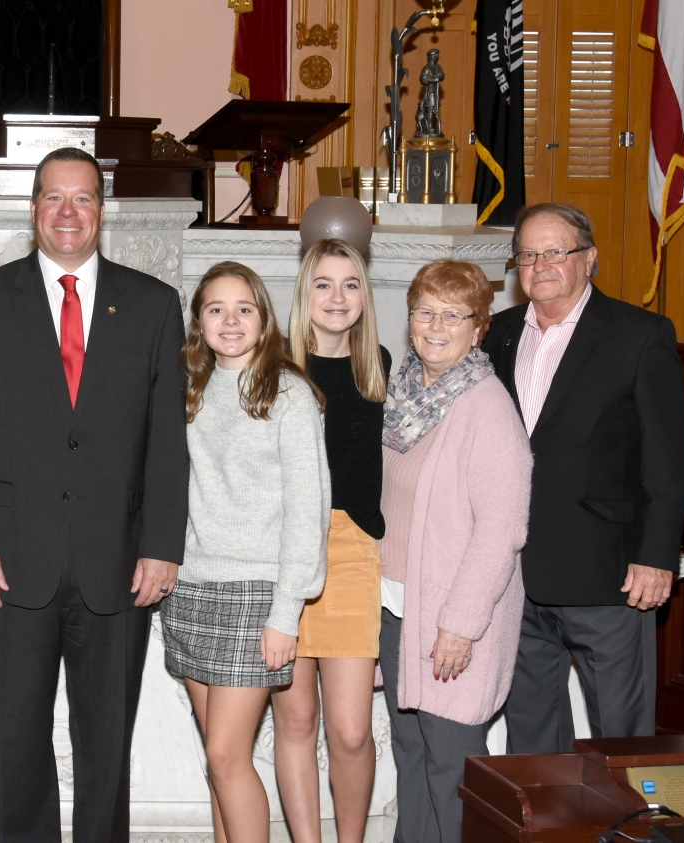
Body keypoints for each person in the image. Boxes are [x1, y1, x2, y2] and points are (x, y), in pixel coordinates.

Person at [0, 147, 189, 842]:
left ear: (102, 211)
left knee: (106, 745)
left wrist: (162, 545)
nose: (68, 213)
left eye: (82, 198)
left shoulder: (152, 304)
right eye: (54, 198)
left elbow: (167, 439)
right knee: (19, 744)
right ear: (33, 209)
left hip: (118, 564)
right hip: (11, 564)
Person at [482, 204, 684, 753]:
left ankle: (627, 839)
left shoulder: (639, 334)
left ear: (589, 258)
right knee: (531, 738)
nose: (541, 264)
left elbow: (668, 460)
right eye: (528, 254)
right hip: (515, 577)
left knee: (622, 739)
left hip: (608, 575)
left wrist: (657, 556)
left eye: (557, 251)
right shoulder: (496, 335)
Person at [160, 261, 329, 843]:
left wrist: (287, 612)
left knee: (228, 756)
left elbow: (309, 513)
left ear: (264, 318)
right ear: (198, 322)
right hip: (192, 591)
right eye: (215, 309)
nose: (230, 322)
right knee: (218, 763)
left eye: (243, 309)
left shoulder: (289, 394)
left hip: (256, 594)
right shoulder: (189, 391)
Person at [378, 260, 532, 843]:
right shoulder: (402, 396)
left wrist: (460, 627)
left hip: (453, 623)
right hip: (397, 611)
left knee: (452, 765)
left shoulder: (487, 409)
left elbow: (501, 530)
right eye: (424, 311)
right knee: (411, 754)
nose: (435, 326)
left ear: (479, 326)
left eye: (453, 315)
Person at [273, 240, 390, 843]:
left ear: (364, 297)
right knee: (295, 722)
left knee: (349, 730)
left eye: (350, 284)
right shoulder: (275, 370)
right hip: (286, 555)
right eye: (323, 284)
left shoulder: (383, 367)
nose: (337, 297)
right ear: (304, 293)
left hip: (352, 552)